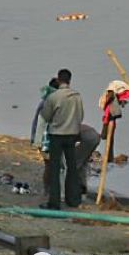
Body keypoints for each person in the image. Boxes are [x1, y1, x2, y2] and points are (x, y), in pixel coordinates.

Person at [39, 69, 85, 209]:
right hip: (72, 134)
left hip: (57, 134)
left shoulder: (54, 97)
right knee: (72, 166)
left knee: (54, 168)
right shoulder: (77, 96)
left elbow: (46, 116)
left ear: (59, 80)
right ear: (69, 80)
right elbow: (81, 115)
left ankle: (54, 202)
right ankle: (73, 199)